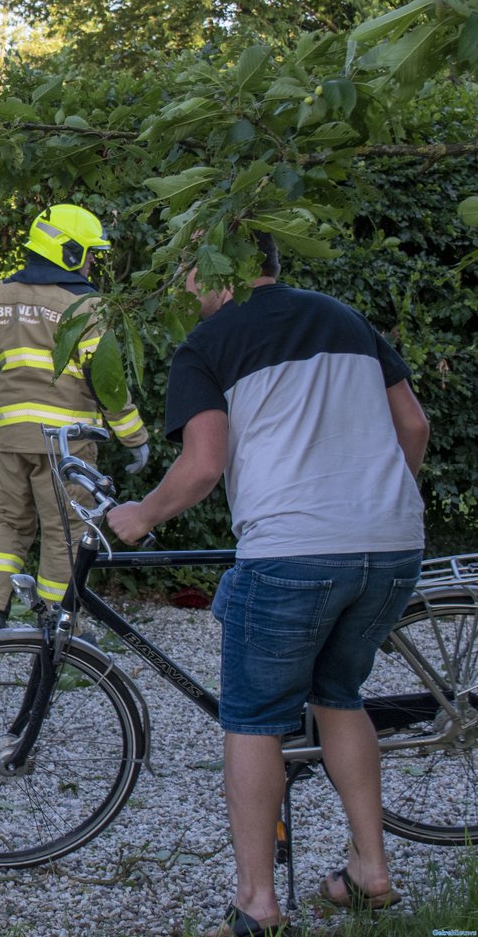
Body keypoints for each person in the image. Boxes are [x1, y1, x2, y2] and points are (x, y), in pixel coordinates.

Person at [108, 233, 427, 937]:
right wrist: (379, 501)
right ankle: (370, 871)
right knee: (339, 696)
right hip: (392, 542)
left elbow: (202, 466)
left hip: (294, 551)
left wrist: (141, 514)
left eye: (189, 267)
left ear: (210, 268)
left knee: (252, 719)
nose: (187, 283)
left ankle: (257, 905)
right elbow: (414, 423)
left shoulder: (209, 344)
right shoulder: (347, 319)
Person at [0, 204, 149, 636]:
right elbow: (107, 382)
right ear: (69, 252)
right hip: (67, 445)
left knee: (5, 521)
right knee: (66, 529)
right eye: (88, 253)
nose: (91, 262)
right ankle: (55, 622)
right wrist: (133, 435)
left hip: (11, 438)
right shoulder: (85, 305)